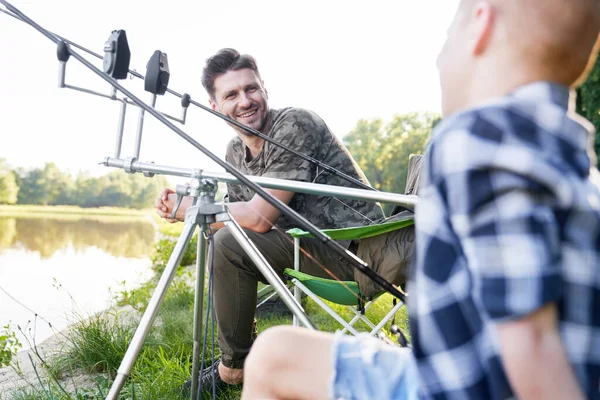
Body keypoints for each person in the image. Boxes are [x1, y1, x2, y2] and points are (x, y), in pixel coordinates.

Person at [240, 0, 600, 399]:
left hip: (456, 387)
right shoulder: (570, 164)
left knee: (274, 355)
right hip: (483, 368)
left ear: (479, 26)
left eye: (447, 36)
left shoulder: (481, 140)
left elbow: (531, 342)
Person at [154, 48, 386, 392]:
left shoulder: (294, 124)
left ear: (265, 90)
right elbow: (232, 220)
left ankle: (233, 371)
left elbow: (258, 220)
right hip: (308, 248)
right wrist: (193, 209)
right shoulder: (235, 152)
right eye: (231, 94)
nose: (245, 101)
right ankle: (239, 355)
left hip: (358, 254)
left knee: (228, 245)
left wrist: (194, 209)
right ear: (215, 106)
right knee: (220, 239)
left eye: (251, 89)